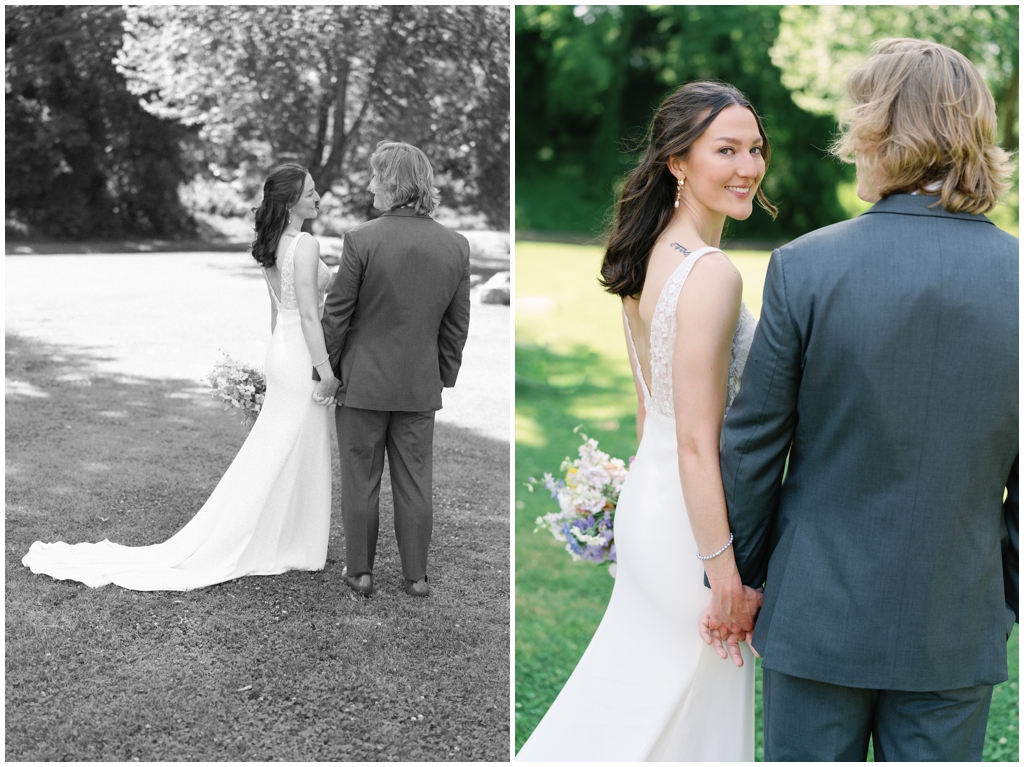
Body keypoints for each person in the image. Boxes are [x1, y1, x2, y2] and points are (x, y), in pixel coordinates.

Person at [712, 39, 1018, 761]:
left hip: (815, 617)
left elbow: (753, 447)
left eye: (856, 121)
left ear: (882, 132)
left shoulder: (805, 268)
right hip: (956, 621)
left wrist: (748, 578)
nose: (848, 142)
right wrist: (997, 597)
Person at [517, 81, 772, 761]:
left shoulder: (644, 253)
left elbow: (648, 411)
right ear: (678, 162)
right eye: (726, 149)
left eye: (755, 148)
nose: (748, 166)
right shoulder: (712, 273)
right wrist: (723, 575)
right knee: (687, 724)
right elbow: (695, 439)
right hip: (694, 534)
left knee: (636, 707)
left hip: (652, 511)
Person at [22, 164, 337, 591]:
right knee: (295, 446)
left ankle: (281, 537)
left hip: (281, 351)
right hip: (301, 353)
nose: (318, 199)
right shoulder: (306, 244)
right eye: (310, 193)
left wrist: (273, 363)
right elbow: (305, 313)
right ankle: (289, 542)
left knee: (278, 448)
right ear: (288, 200)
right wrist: (325, 372)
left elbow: (276, 311)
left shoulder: (273, 243)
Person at [315, 140, 471, 599]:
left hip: (361, 383)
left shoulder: (361, 239)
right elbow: (456, 325)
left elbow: (337, 315)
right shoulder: (455, 245)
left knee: (360, 479)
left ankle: (360, 573)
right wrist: (442, 374)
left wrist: (324, 371)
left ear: (392, 183)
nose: (369, 186)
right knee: (415, 480)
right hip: (419, 386)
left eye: (374, 177)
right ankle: (416, 578)